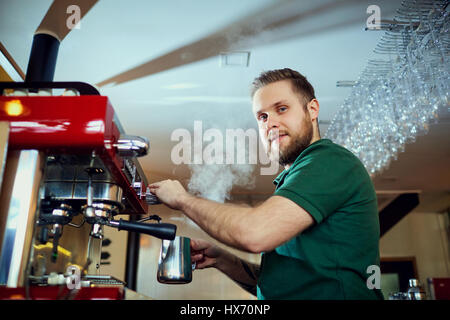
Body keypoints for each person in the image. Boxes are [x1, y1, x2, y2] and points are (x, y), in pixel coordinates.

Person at [149, 68, 384, 300]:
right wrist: (222, 259)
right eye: (262, 116)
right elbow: (282, 284)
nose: (270, 123)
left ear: (312, 109)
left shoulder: (328, 160)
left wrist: (183, 199)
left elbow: (255, 234)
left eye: (281, 109)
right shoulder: (293, 181)